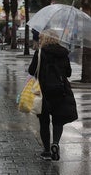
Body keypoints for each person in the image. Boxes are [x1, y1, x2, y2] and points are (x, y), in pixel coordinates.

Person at [28, 29, 78, 161]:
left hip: (43, 92)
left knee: (44, 122)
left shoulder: (40, 52)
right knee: (58, 120)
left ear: (43, 39)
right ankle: (55, 143)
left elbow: (31, 70)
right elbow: (68, 73)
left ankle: (46, 151)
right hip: (61, 91)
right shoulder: (63, 53)